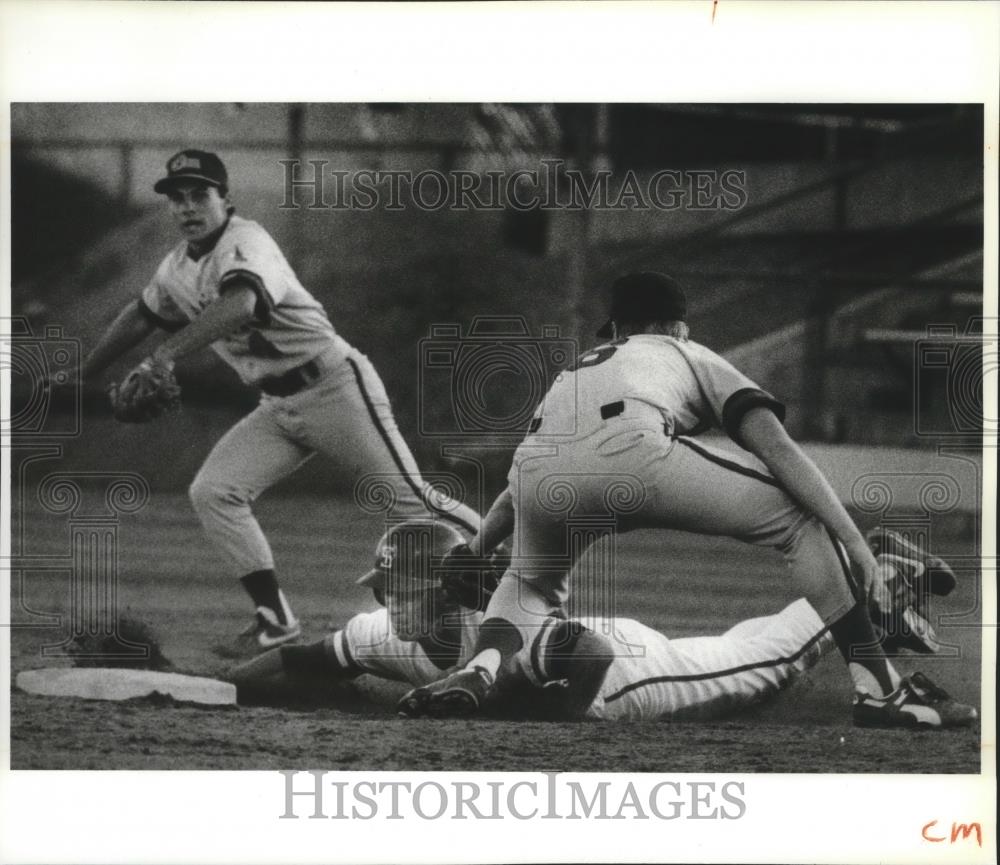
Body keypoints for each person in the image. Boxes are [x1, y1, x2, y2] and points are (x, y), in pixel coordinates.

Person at [400, 272, 977, 729]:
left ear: (617, 328)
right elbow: (781, 453)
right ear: (674, 325)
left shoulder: (575, 371)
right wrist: (854, 541)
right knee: (803, 521)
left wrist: (478, 548)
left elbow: (522, 481)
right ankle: (880, 691)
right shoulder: (686, 353)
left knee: (526, 584)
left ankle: (480, 668)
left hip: (531, 477)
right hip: (633, 454)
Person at [78, 149, 480, 653]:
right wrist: (83, 372)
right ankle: (275, 620)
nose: (187, 207)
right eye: (177, 198)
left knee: (410, 505)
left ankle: (515, 567)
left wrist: (164, 356)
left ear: (226, 199)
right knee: (215, 491)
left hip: (335, 387)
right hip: (277, 405)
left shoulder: (247, 240)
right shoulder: (177, 267)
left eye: (200, 194)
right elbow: (139, 314)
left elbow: (242, 302)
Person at [229, 520, 974, 728]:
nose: (382, 602)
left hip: (623, 673)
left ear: (427, 588)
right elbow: (300, 662)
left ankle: (874, 574)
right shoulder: (381, 633)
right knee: (747, 644)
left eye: (391, 587)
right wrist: (234, 689)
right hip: (579, 656)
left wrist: (501, 710)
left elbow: (580, 658)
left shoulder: (500, 623)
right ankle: (868, 575)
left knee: (766, 660)